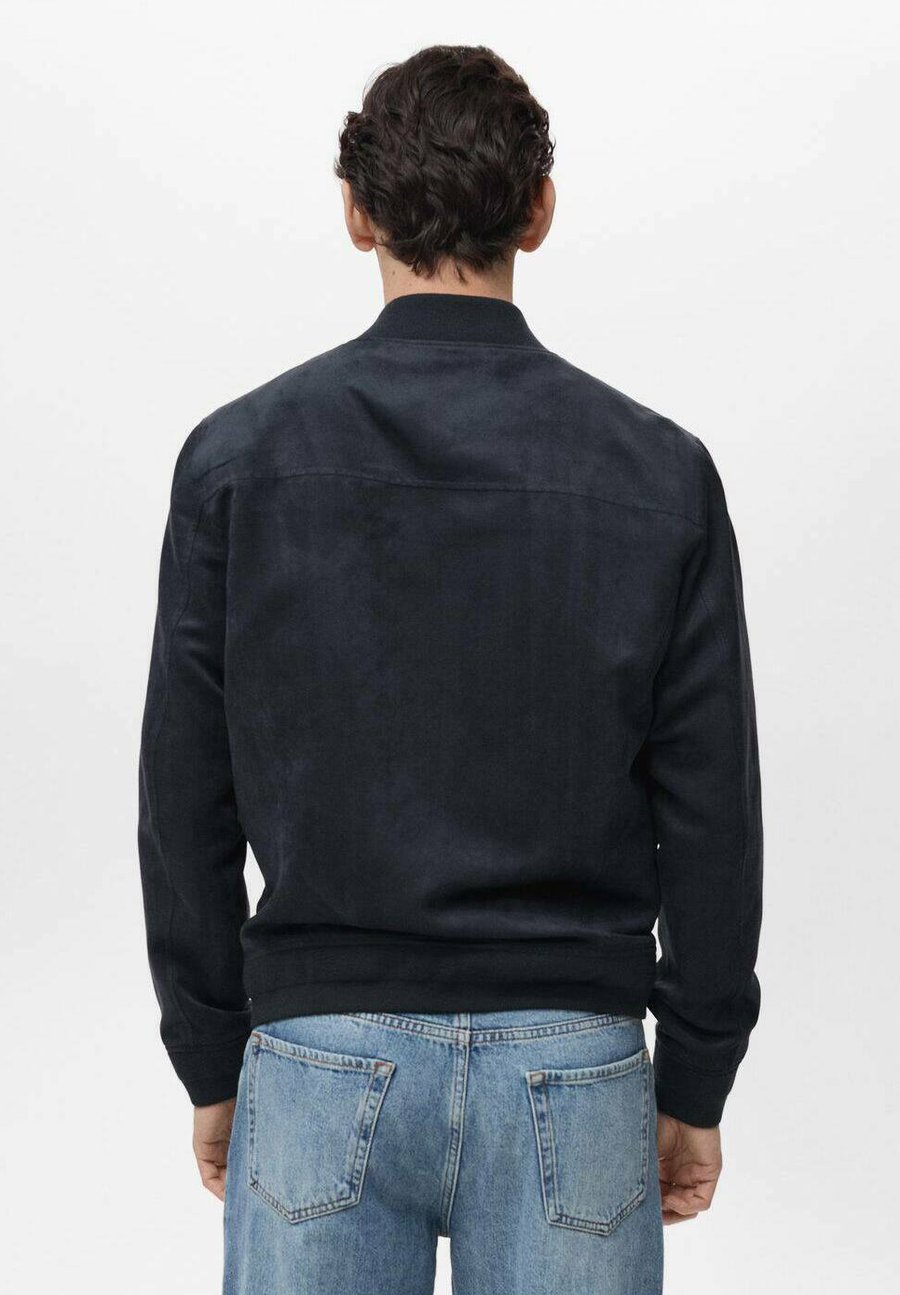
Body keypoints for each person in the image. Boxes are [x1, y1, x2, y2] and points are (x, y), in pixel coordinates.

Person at [138, 44, 762, 1295]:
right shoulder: (660, 473)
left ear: (356, 211)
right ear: (539, 209)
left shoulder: (237, 464)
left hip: (317, 1055)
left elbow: (183, 798)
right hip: (573, 1064)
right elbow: (711, 814)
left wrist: (214, 1055)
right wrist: (695, 1077)